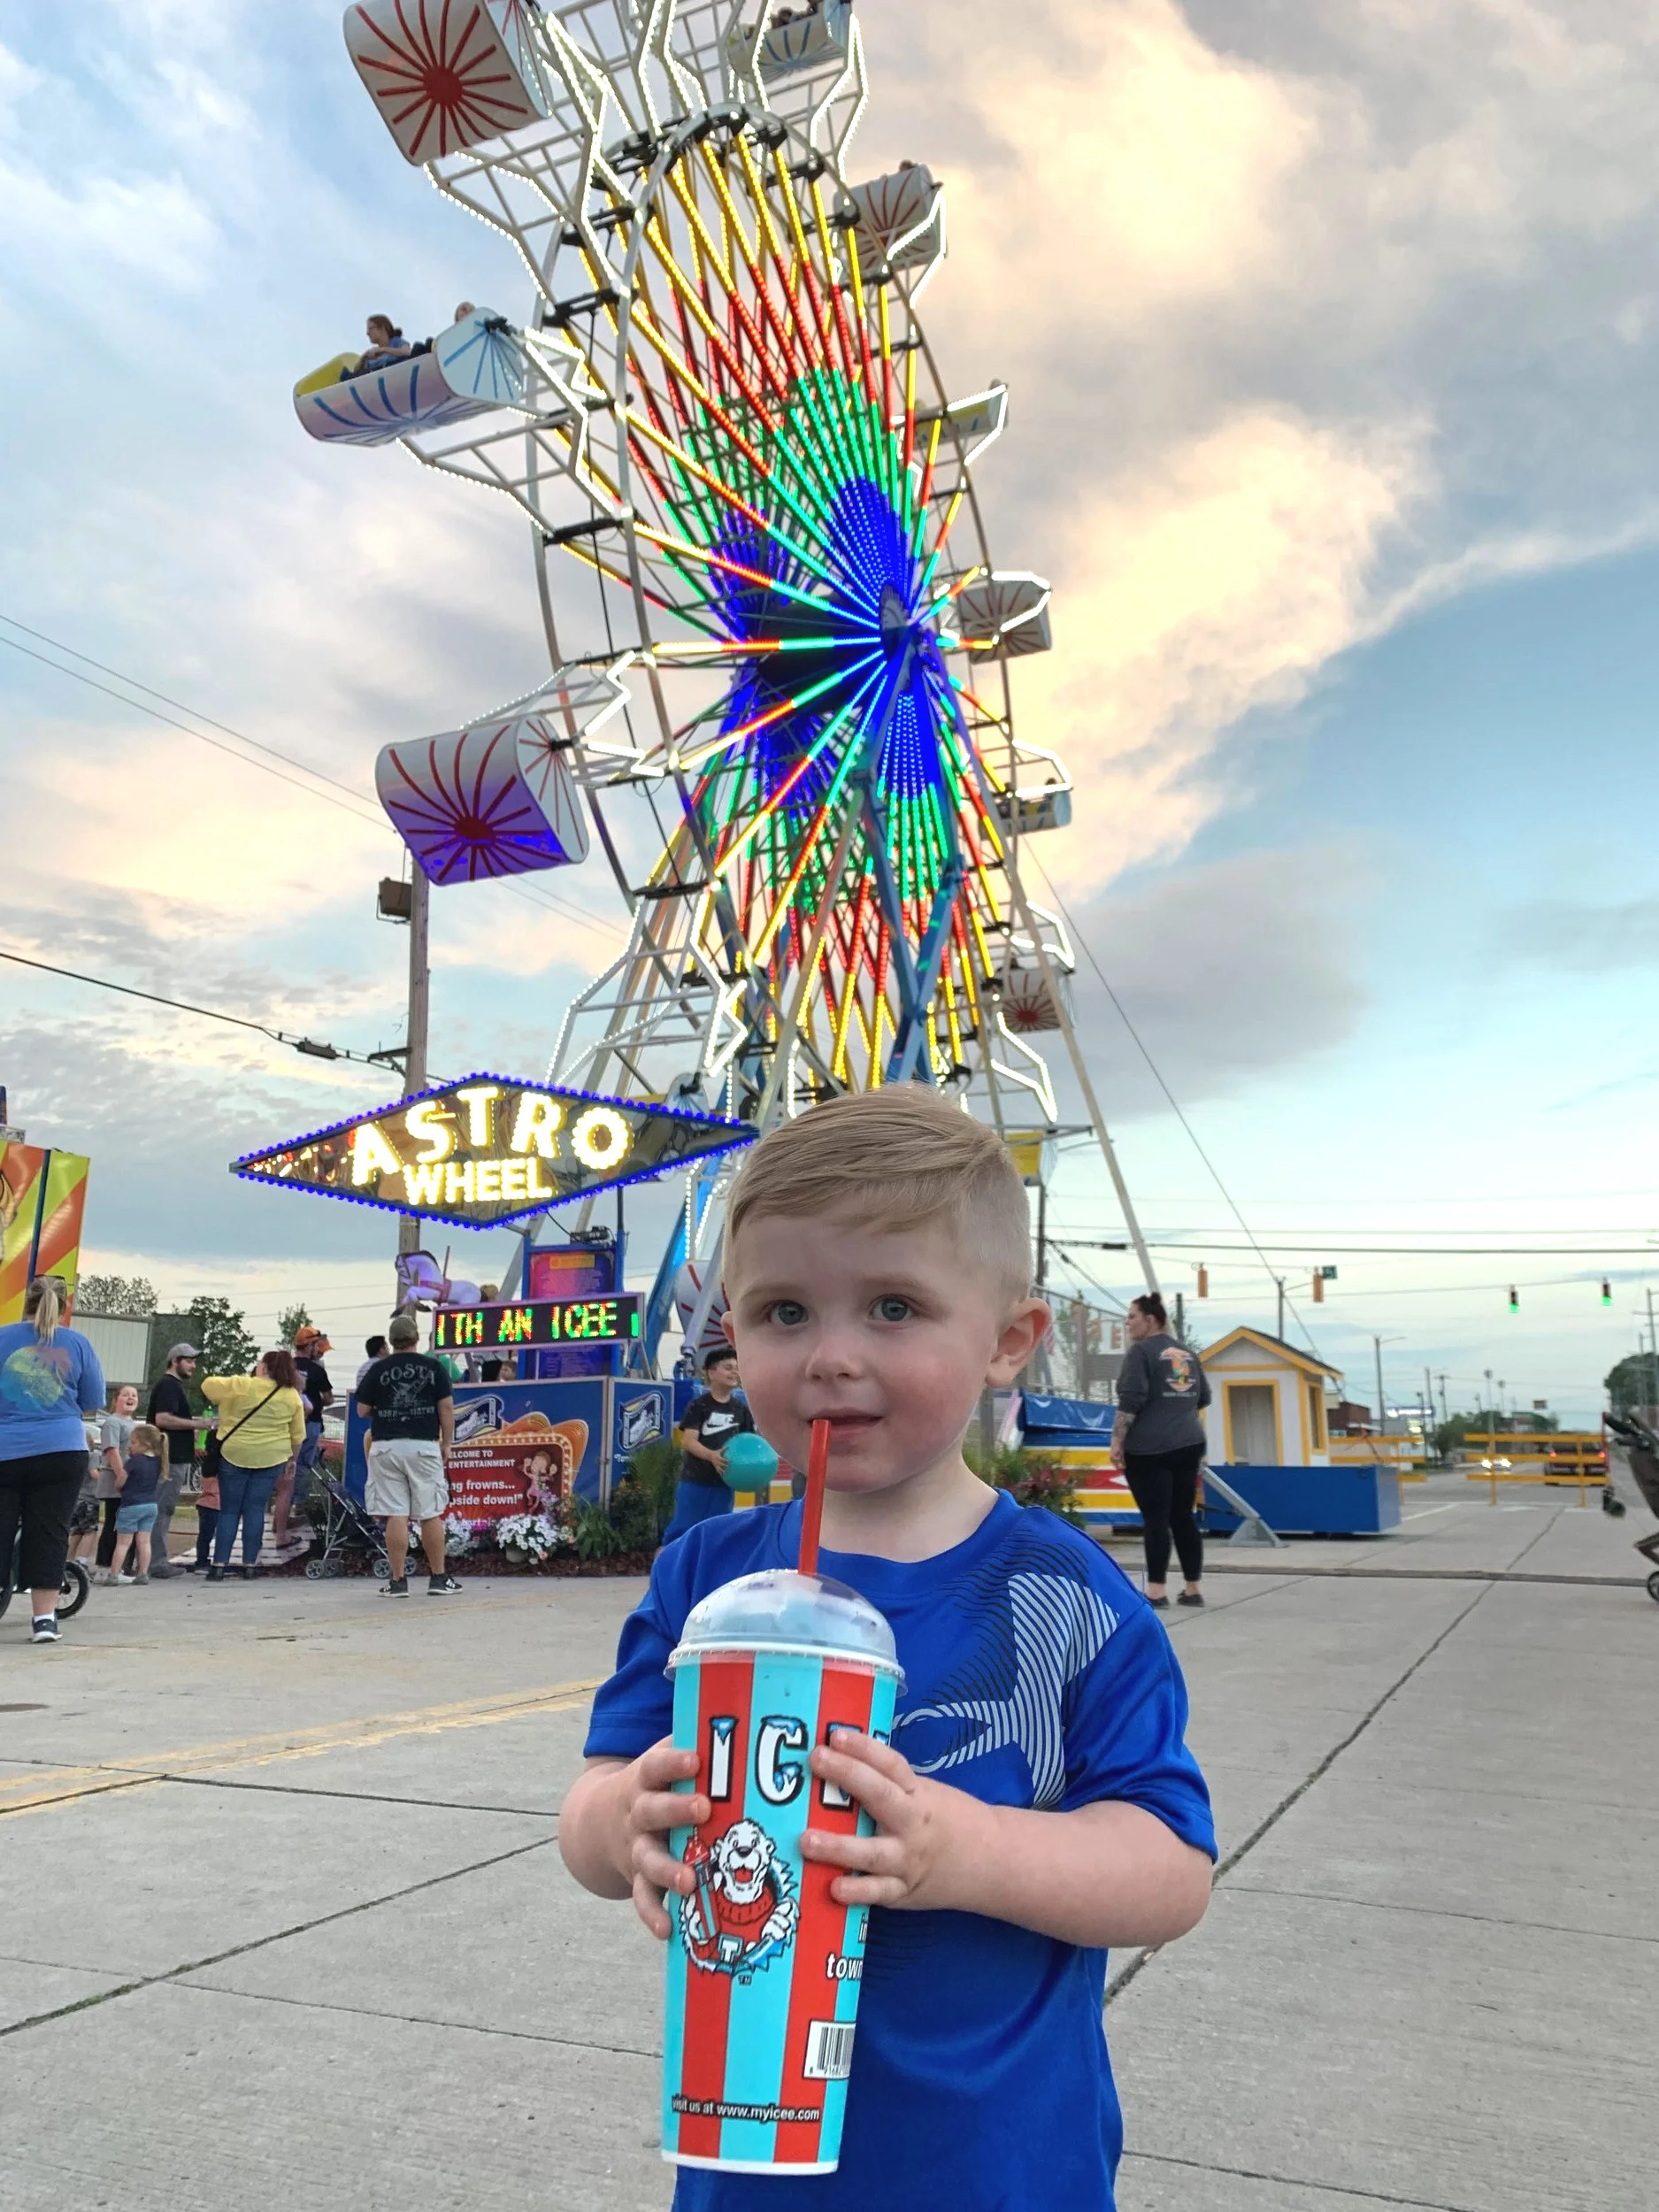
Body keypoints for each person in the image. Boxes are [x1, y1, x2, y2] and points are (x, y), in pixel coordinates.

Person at [560, 1090, 1214, 2212]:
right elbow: (592, 1804)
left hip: (996, 2171)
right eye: (782, 1312)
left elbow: (1169, 1869)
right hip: (747, 2166)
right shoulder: (704, 1578)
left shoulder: (1068, 1598)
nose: (831, 1358)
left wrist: (966, 1851)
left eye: (895, 1306)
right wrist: (623, 1827)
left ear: (1008, 1340)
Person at [0, 1274, 107, 1643]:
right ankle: (44, 1619)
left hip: (4, 1450)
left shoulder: (1, 1337)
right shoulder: (77, 1343)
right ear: (65, 1307)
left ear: (25, 1302)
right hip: (60, 1450)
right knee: (49, 1532)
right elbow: (92, 1401)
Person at [1110, 1293, 1210, 1609]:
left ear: (1150, 1319)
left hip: (1149, 1448)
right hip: (1190, 1442)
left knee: (1155, 1518)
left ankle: (1156, 1591)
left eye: (1132, 1316)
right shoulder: (1188, 1353)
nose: (1128, 1322)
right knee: (1183, 1516)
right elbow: (1203, 1396)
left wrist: (1117, 1442)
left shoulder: (1140, 1352)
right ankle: (1193, 1589)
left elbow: (1131, 1399)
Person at [357, 1314, 461, 1597]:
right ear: (416, 1338)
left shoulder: (378, 1369)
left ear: (391, 1342)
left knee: (396, 1514)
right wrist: (447, 1444)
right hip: (423, 1445)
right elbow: (447, 1408)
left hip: (387, 1446)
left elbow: (362, 1410)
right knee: (430, 1514)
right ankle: (439, 1578)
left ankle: (398, 1581)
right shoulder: (434, 1367)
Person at [200, 1351, 306, 1581]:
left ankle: (219, 1564)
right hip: (271, 1457)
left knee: (229, 1510)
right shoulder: (291, 1396)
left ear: (264, 1367)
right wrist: (292, 1460)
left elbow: (207, 1385)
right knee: (255, 1509)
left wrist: (239, 1380)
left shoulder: (242, 1385)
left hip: (234, 1453)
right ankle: (250, 1564)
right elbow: (298, 1436)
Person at [658, 1347, 754, 1545]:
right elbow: (688, 1441)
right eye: (728, 1368)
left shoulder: (741, 1410)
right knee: (681, 1532)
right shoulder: (699, 1406)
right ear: (711, 1373)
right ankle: (667, 1569)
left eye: (737, 1368)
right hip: (695, 1481)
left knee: (717, 1533)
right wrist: (712, 1456)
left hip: (724, 1485)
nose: (734, 1372)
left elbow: (748, 1444)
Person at [147, 1344, 203, 1579]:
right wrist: (195, 1424)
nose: (193, 1365)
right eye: (189, 1361)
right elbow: (163, 1419)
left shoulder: (173, 1386)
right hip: (169, 1458)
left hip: (174, 1457)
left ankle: (149, 1559)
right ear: (175, 1360)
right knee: (162, 1508)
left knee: (163, 1507)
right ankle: (155, 1562)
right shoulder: (169, 1385)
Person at [281, 1325, 334, 1539]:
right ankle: (297, 1504)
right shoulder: (317, 1370)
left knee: (283, 1464)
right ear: (311, 1346)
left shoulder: (286, 1367)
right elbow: (329, 1398)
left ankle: (280, 1505)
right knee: (302, 1465)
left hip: (285, 1423)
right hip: (309, 1423)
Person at [90, 1384, 141, 1581]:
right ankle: (104, 1567)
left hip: (134, 1483)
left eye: (134, 1395)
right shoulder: (113, 1422)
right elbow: (112, 1450)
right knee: (114, 1522)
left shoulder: (136, 1425)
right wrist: (122, 1475)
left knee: (127, 1525)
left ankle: (121, 1567)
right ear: (115, 1400)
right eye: (125, 1395)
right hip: (116, 1480)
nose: (130, 1398)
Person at [111, 1423, 166, 1584]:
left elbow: (121, 1479)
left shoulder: (133, 1461)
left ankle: (114, 1574)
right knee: (144, 1541)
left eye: (133, 1442)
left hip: (131, 1505)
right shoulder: (157, 1461)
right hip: (151, 1505)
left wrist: (119, 1487)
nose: (130, 1446)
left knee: (123, 1542)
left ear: (145, 1444)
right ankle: (142, 1573)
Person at [339, 314, 410, 379]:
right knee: (349, 375)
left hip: (394, 371)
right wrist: (364, 357)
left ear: (382, 328)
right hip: (374, 377)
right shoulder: (372, 353)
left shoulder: (396, 341)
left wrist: (383, 350)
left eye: (370, 329)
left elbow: (407, 352)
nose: (367, 333)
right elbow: (357, 370)